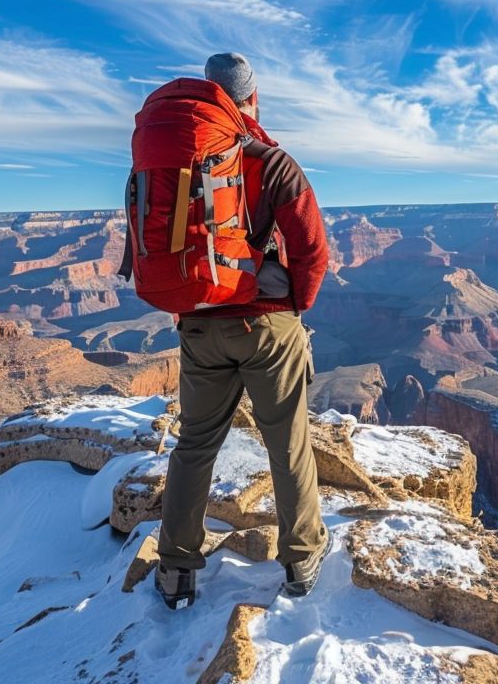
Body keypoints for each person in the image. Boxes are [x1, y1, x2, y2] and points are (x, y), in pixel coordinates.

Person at [154, 52, 331, 609]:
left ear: (209, 98)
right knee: (288, 442)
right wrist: (293, 306)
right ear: (252, 99)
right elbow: (312, 249)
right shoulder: (272, 161)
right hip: (265, 324)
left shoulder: (175, 161)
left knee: (194, 446)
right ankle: (301, 562)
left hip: (200, 326)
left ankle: (177, 569)